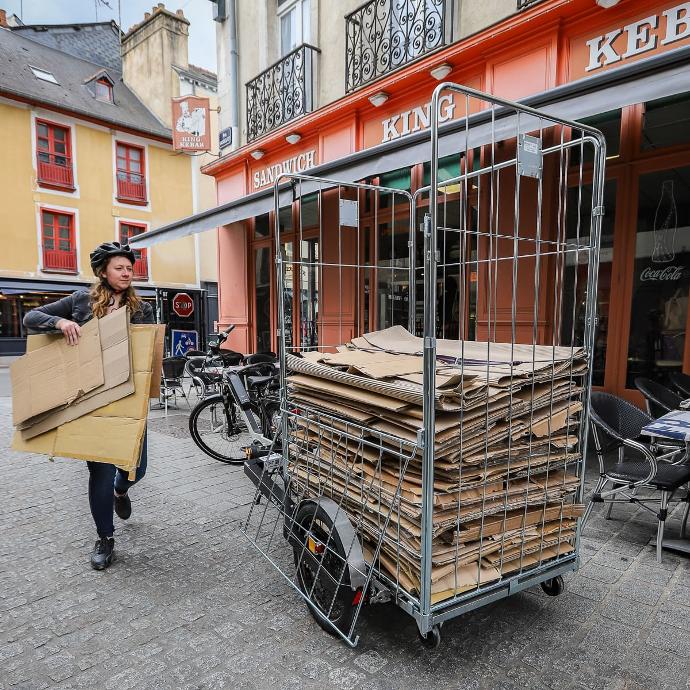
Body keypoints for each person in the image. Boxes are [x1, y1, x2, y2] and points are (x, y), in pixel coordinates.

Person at [23, 242, 155, 570]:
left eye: (129, 268)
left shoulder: (143, 307)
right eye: (119, 268)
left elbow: (149, 351)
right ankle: (105, 538)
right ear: (103, 272)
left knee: (137, 467)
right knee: (99, 470)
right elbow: (30, 317)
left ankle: (120, 492)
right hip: (91, 399)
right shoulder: (80, 301)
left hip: (129, 397)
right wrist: (61, 324)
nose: (126, 273)